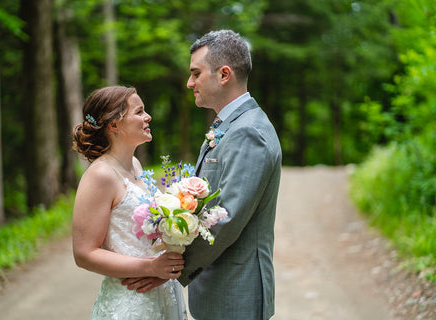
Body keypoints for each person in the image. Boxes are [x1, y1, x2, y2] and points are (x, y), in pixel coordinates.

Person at [182, 30, 282, 319]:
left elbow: (227, 217)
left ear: (224, 75)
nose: (190, 83)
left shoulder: (249, 131)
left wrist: (173, 266)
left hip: (236, 294)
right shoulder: (229, 125)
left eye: (196, 73)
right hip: (219, 291)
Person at [72, 86, 188, 320]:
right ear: (114, 125)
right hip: (130, 301)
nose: (148, 117)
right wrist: (149, 268)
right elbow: (84, 253)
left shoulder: (134, 164)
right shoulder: (100, 175)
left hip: (162, 293)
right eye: (139, 112)